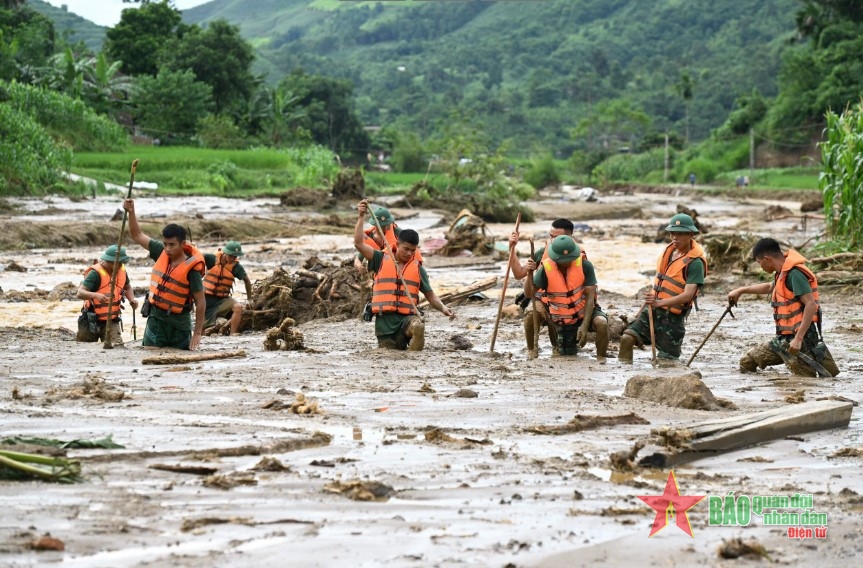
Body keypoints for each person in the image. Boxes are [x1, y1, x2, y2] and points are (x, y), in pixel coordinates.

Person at [727, 238, 839, 377]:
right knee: (747, 361)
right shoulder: (781, 273)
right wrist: (741, 290)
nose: (760, 266)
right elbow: (769, 287)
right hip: (783, 340)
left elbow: (810, 304)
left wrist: (798, 339)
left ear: (767, 259)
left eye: (759, 262)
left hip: (801, 341)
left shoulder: (794, 274)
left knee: (807, 381)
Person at [353, 199, 455, 350]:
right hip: (385, 324)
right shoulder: (380, 259)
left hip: (407, 318)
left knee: (418, 327)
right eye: (406, 249)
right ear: (397, 244)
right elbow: (359, 244)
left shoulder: (418, 269)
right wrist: (361, 216)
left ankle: (415, 364)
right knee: (389, 353)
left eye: (412, 250)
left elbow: (430, 295)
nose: (409, 253)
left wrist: (443, 308)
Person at [510, 220, 608, 358]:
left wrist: (584, 326)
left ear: (570, 238)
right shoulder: (543, 256)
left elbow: (589, 294)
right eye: (551, 236)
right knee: (532, 314)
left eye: (557, 237)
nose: (553, 240)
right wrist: (512, 249)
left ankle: (601, 358)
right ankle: (532, 350)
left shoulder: (582, 261)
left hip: (577, 306)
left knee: (574, 346)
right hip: (549, 303)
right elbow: (520, 275)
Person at [619, 213, 707, 362]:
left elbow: (688, 295)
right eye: (672, 233)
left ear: (691, 234)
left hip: (672, 318)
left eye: (680, 234)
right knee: (627, 338)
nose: (675, 237)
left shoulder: (695, 262)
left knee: (667, 361)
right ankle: (626, 376)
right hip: (653, 310)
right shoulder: (669, 251)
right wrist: (652, 301)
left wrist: (659, 303)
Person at [123, 199, 206, 350]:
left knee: (180, 363)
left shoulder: (192, 269)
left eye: (172, 245)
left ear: (182, 244)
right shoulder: (159, 251)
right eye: (165, 244)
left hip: (180, 324)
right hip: (156, 319)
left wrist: (197, 333)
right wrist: (131, 212)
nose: (167, 249)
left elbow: (201, 302)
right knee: (150, 355)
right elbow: (136, 235)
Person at [76, 245, 138, 345]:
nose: (120, 265)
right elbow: (80, 293)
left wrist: (132, 300)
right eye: (117, 263)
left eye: (121, 262)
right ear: (109, 261)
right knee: (85, 348)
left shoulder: (122, 271)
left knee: (116, 347)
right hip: (91, 319)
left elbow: (127, 287)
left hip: (111, 320)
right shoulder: (95, 274)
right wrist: (96, 295)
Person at [202, 241, 253, 335]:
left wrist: (249, 299)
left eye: (235, 257)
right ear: (225, 253)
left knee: (238, 307)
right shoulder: (211, 259)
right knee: (202, 331)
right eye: (231, 256)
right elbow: (197, 257)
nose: (233, 259)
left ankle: (232, 335)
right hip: (206, 299)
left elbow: (247, 281)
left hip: (223, 299)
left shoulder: (236, 267)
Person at [354, 206, 422, 272]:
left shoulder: (398, 233)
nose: (386, 227)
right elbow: (358, 258)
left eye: (387, 224)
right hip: (378, 266)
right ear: (375, 224)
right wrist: (360, 268)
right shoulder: (369, 237)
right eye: (382, 225)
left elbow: (412, 247)